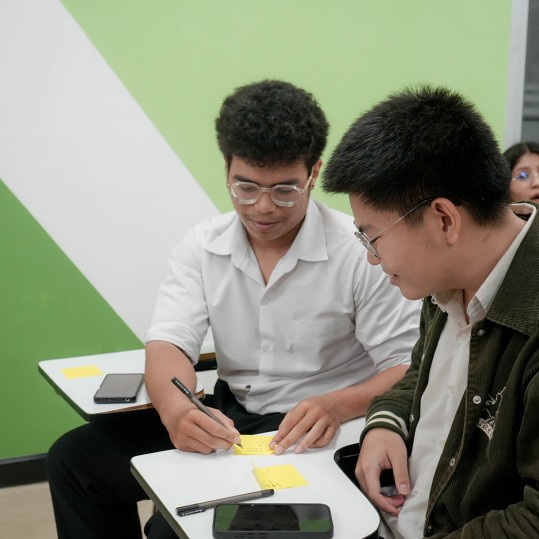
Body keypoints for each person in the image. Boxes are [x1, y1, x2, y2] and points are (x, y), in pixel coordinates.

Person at [46, 79, 420, 539]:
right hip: (228, 415)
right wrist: (176, 410)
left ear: (314, 173)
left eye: (285, 190)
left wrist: (336, 404)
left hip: (316, 430)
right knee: (74, 463)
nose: (263, 207)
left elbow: (405, 366)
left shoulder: (357, 252)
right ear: (226, 168)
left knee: (174, 530)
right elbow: (168, 342)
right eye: (246, 187)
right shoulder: (203, 246)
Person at [322, 84, 539, 538]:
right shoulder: (445, 283)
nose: (372, 258)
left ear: (443, 219)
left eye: (372, 237)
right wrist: (385, 423)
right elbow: (421, 375)